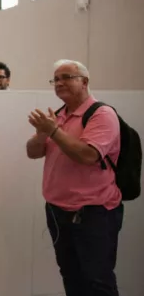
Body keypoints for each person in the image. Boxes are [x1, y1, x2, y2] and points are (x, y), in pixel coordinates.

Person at [26, 59, 123, 296]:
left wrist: (53, 131)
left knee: (98, 282)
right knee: (72, 277)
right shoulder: (58, 116)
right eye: (56, 79)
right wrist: (41, 135)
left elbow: (88, 155)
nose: (59, 83)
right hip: (59, 212)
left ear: (85, 81)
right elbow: (33, 152)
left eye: (66, 77)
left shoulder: (102, 114)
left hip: (93, 213)